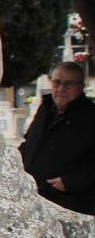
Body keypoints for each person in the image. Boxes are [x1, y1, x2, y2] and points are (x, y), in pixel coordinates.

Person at [20, 61, 95, 214]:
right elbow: (29, 143)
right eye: (57, 82)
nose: (61, 89)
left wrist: (69, 182)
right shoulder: (45, 108)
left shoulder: (90, 116)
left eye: (68, 85)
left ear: (80, 87)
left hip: (72, 203)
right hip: (35, 197)